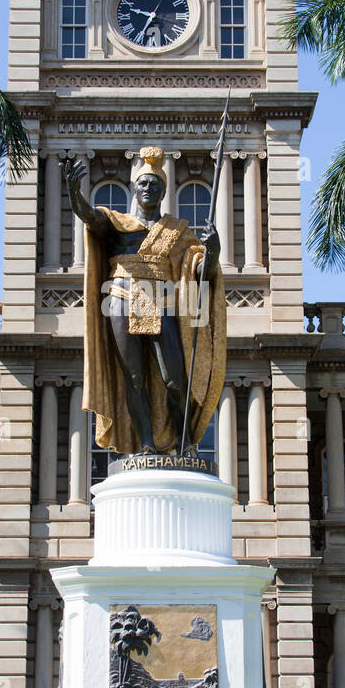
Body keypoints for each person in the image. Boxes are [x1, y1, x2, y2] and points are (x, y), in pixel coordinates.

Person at [63, 146, 226, 456]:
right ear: (134, 189)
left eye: (155, 185)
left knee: (174, 379)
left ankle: (182, 443)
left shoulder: (177, 232)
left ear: (164, 191)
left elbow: (201, 274)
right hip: (121, 297)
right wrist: (74, 193)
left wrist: (214, 252)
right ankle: (146, 445)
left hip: (162, 299)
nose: (149, 189)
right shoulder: (117, 223)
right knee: (134, 377)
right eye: (143, 184)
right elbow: (88, 215)